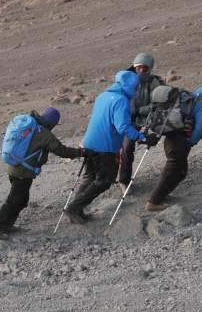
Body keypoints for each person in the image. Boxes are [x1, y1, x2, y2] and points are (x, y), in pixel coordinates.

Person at [65, 71, 157, 223]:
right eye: (135, 88)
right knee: (105, 180)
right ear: (128, 86)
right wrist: (141, 137)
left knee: (91, 177)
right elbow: (122, 127)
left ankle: (76, 210)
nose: (135, 91)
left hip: (89, 142)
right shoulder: (121, 100)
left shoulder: (103, 96)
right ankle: (74, 209)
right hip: (104, 146)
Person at [0, 108, 84, 240]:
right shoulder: (43, 133)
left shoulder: (31, 125)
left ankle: (6, 225)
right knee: (14, 200)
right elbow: (62, 151)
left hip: (14, 167)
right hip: (23, 171)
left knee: (21, 200)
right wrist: (80, 153)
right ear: (53, 123)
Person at [145, 86, 202, 211]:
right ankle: (153, 202)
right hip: (178, 142)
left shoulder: (198, 93)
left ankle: (161, 195)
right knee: (174, 170)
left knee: (180, 171)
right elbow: (199, 129)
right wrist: (190, 142)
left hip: (173, 137)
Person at [118, 53, 162, 192]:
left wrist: (138, 110)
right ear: (134, 67)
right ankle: (123, 180)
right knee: (127, 148)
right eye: (139, 67)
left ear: (150, 69)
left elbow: (156, 105)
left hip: (146, 120)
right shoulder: (125, 80)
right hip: (128, 121)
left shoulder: (154, 82)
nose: (141, 71)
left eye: (145, 68)